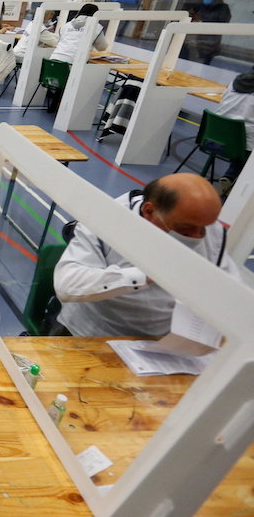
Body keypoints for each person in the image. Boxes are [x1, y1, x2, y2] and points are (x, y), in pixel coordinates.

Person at [53, 173, 245, 337]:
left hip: (165, 345)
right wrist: (147, 274)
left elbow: (229, 289)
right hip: (90, 335)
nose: (197, 237)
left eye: (203, 228)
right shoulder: (105, 220)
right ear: (149, 211)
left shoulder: (209, 227)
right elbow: (68, 284)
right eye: (185, 229)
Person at [210, 65, 254, 192]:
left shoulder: (235, 82)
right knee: (246, 139)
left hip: (213, 138)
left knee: (242, 134)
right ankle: (237, 184)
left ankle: (230, 177)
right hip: (240, 147)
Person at [187, 0, 232, 64]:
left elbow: (223, 23)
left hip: (211, 42)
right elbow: (190, 14)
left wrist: (204, 23)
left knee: (205, 63)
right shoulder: (201, 6)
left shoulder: (223, 8)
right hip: (197, 40)